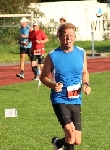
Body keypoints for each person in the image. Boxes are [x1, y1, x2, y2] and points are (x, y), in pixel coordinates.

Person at [40, 22, 91, 150]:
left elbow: (85, 72)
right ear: (60, 37)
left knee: (77, 140)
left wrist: (86, 84)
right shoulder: (53, 55)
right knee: (70, 130)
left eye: (71, 35)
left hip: (75, 98)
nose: (68, 38)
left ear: (75, 36)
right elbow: (43, 76)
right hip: (59, 98)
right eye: (65, 35)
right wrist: (52, 85)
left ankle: (58, 143)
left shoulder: (81, 52)